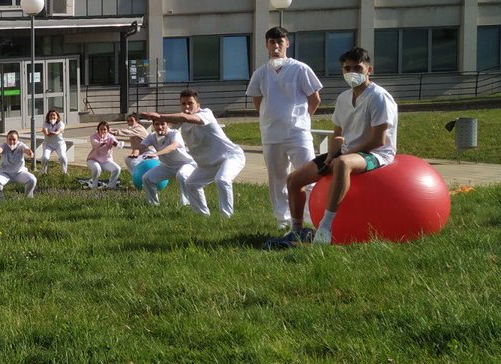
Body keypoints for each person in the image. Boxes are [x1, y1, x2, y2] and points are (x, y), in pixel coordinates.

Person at [272, 47, 398, 247]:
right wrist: (331, 155)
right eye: (347, 69)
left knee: (342, 164)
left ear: (369, 70)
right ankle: (296, 231)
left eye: (357, 68)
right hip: (346, 152)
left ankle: (325, 228)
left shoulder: (378, 97)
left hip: (376, 153)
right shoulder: (343, 98)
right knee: (294, 180)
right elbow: (338, 134)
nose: (352, 73)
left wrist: (341, 157)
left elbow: (378, 140)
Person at [245, 26, 323, 228]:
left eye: (280, 41)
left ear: (287, 43)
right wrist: (268, 119)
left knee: (309, 175)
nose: (276, 46)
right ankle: (283, 219)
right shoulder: (261, 73)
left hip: (298, 133)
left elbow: (314, 99)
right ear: (266, 45)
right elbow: (258, 100)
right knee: (277, 179)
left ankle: (310, 217)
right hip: (271, 135)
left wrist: (302, 120)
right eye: (272, 42)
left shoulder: (300, 69)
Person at [143, 90, 246, 218]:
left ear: (198, 105)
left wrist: (160, 116)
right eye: (183, 104)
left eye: (190, 103)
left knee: (222, 180)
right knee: (192, 184)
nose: (186, 107)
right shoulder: (183, 123)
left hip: (231, 156)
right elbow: (177, 121)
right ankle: (203, 217)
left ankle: (227, 218)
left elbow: (185, 117)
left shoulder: (206, 113)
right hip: (208, 164)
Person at [134, 116, 196, 207]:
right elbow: (142, 145)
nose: (160, 127)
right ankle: (153, 205)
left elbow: (173, 146)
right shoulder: (152, 136)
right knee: (147, 178)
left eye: (162, 124)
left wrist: (156, 154)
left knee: (182, 175)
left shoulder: (174, 133)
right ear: (153, 125)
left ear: (168, 124)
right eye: (157, 124)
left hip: (186, 164)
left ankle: (186, 205)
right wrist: (136, 151)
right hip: (167, 166)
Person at [0, 130, 37, 200]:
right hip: (5, 174)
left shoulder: (21, 145)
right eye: (10, 139)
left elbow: (26, 150)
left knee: (32, 179)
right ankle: (0, 198)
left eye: (14, 139)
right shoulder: (4, 145)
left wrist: (29, 153)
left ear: (18, 140)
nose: (12, 142)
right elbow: (0, 149)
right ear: (6, 139)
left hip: (19, 173)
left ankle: (28, 198)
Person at [85, 120, 122, 189]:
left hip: (106, 161)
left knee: (117, 169)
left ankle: (111, 186)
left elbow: (117, 144)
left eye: (104, 129)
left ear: (107, 130)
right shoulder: (93, 136)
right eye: (101, 129)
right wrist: (104, 142)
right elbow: (95, 144)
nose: (102, 131)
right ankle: (94, 186)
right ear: (98, 129)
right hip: (93, 160)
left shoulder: (110, 137)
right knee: (97, 169)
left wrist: (117, 144)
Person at [40, 109, 69, 175]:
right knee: (45, 158)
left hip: (59, 144)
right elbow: (45, 131)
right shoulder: (45, 123)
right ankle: (43, 173)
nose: (52, 117)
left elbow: (60, 129)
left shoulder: (60, 123)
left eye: (54, 115)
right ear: (48, 116)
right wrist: (47, 134)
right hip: (48, 144)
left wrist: (56, 133)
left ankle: (64, 173)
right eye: (51, 115)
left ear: (57, 116)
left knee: (63, 157)